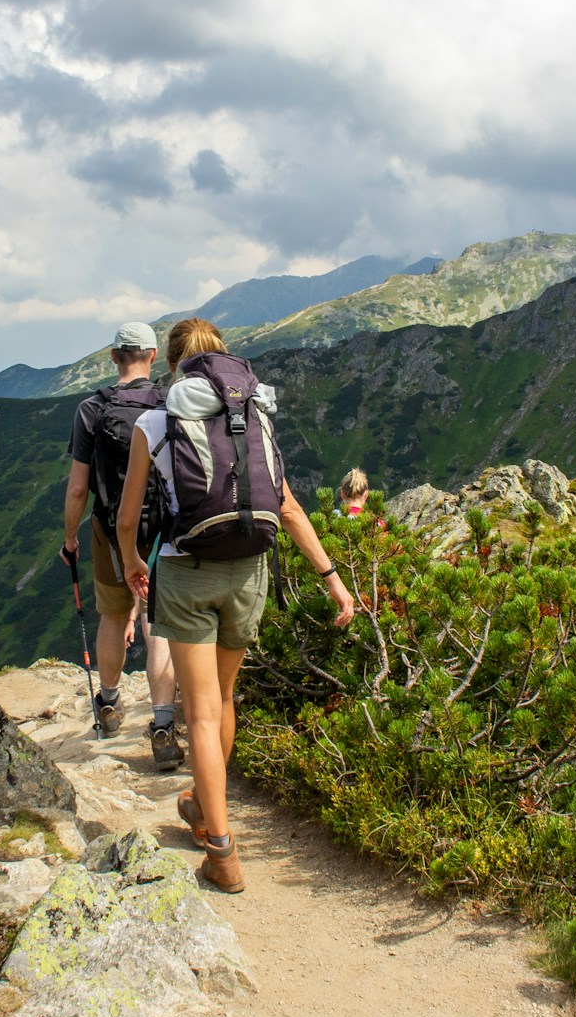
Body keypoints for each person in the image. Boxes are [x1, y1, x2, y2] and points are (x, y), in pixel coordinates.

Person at [118, 317, 359, 894]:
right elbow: (290, 506)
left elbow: (128, 517)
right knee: (224, 700)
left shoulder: (155, 421)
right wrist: (332, 579)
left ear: (173, 364)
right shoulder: (254, 415)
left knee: (197, 711)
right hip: (250, 569)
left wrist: (131, 560)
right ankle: (202, 808)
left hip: (187, 569)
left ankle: (221, 852)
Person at [61, 321, 183, 771]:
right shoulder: (169, 403)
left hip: (110, 527)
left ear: (114, 358)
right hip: (165, 530)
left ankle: (109, 704)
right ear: (153, 357)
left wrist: (71, 538)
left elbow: (78, 489)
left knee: (113, 615)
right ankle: (164, 725)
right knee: (159, 624)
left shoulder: (91, 410)